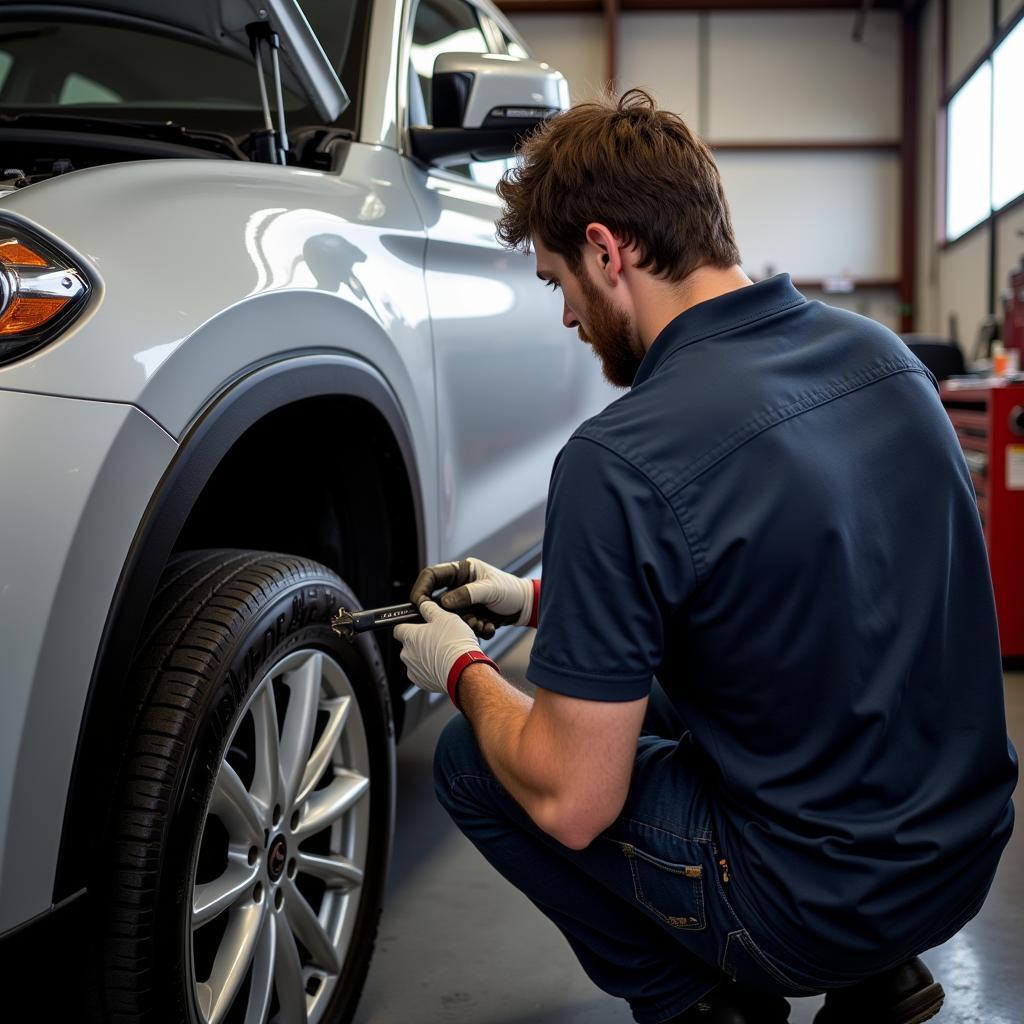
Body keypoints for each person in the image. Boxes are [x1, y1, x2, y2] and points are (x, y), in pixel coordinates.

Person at [392, 89, 1017, 1024]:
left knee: (471, 762)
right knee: (672, 690)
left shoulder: (620, 455)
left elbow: (573, 803)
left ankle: (699, 1006)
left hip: (808, 908)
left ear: (609, 251)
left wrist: (465, 668)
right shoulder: (888, 362)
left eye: (560, 283)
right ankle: (882, 972)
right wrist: (532, 599)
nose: (568, 318)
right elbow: (795, 585)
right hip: (960, 860)